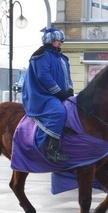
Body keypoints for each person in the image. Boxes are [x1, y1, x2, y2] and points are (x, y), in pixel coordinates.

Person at [21, 27, 74, 163]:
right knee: (58, 112)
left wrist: (69, 91)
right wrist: (58, 92)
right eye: (58, 39)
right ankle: (52, 148)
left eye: (61, 40)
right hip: (42, 95)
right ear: (50, 40)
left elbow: (68, 77)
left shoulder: (63, 59)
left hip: (58, 95)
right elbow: (43, 76)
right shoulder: (41, 55)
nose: (60, 42)